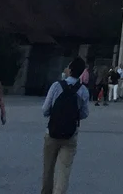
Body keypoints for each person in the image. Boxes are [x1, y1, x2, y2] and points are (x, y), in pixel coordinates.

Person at [41, 55, 89, 194]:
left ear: (70, 69)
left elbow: (45, 110)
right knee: (64, 171)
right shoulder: (83, 91)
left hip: (52, 132)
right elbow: (84, 113)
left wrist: (54, 114)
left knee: (48, 169)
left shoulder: (56, 86)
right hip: (70, 134)